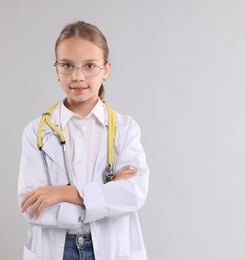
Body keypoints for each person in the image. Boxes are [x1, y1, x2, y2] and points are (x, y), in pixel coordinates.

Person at [18, 21, 149, 260]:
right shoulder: (35, 132)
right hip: (56, 250)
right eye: (67, 65)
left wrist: (63, 193)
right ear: (56, 69)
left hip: (110, 249)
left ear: (106, 69)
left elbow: (133, 194)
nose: (78, 76)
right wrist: (102, 199)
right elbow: (32, 207)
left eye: (89, 66)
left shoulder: (125, 129)